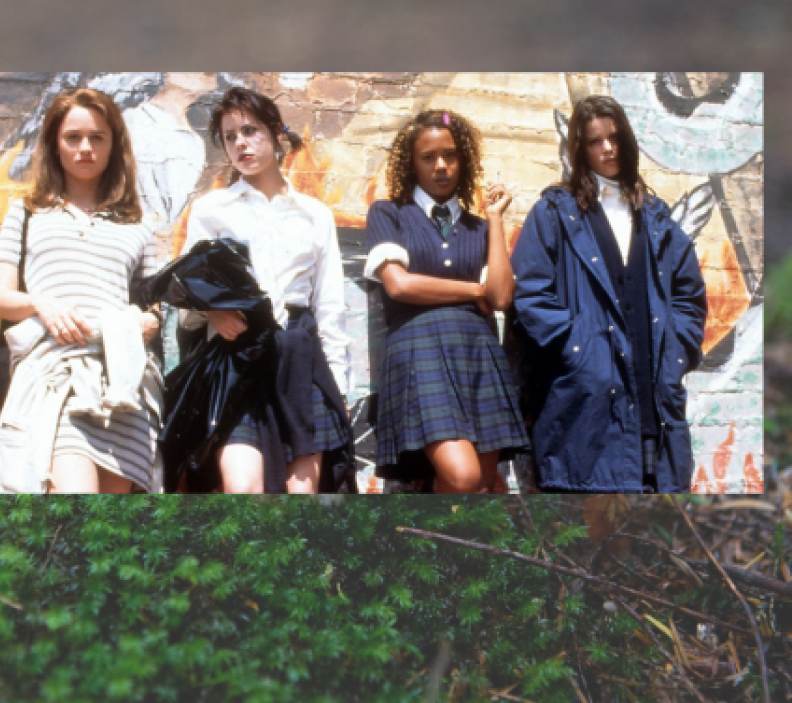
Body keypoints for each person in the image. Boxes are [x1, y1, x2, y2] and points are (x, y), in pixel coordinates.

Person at [511, 95, 707, 493]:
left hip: (654, 400)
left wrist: (674, 351)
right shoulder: (554, 214)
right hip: (586, 408)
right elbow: (530, 295)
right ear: (579, 149)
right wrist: (580, 352)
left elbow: (689, 295)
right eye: (594, 141)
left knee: (650, 539)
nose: (608, 149)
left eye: (614, 138)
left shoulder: (656, 218)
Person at [0, 87, 163, 494]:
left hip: (124, 383)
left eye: (97, 137)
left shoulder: (139, 224)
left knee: (103, 537)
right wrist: (42, 303)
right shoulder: (27, 212)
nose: (85, 148)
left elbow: (155, 306)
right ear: (55, 143)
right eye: (73, 137)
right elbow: (1, 299)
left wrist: (148, 321)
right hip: (57, 375)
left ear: (113, 144)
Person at [180, 86, 351, 494]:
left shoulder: (315, 215)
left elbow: (330, 306)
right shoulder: (211, 210)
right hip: (237, 358)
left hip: (299, 357)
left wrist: (340, 387)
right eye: (230, 136)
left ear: (276, 134)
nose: (241, 143)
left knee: (301, 493)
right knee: (243, 488)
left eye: (251, 131)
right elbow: (186, 288)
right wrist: (214, 313)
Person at [364, 109, 528, 493]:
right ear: (412, 163)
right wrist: (474, 291)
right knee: (463, 476)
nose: (441, 166)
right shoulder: (390, 214)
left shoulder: (480, 228)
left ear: (463, 160)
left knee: (485, 485)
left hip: (477, 354)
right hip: (420, 352)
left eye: (450, 155)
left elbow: (501, 297)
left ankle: (449, 549)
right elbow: (399, 286)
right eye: (428, 157)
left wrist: (495, 218)